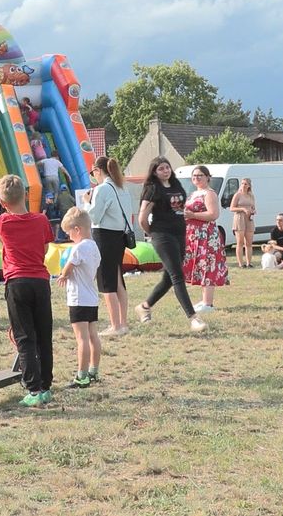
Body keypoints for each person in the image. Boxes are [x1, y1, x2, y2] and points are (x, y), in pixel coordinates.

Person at [0, 174, 55, 407]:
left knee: (24, 337)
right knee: (44, 336)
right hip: (40, 281)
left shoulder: (2, 223)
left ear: (2, 202)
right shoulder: (41, 220)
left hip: (17, 282)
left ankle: (34, 389)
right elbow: (46, 247)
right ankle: (46, 386)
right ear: (26, 195)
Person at [134, 157, 206, 333]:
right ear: (154, 172)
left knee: (169, 277)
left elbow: (180, 209)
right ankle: (193, 318)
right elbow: (142, 217)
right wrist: (152, 233)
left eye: (167, 167)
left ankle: (144, 306)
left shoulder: (176, 185)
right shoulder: (152, 189)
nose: (165, 171)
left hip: (179, 233)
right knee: (177, 276)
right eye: (161, 169)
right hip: (162, 234)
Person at [80, 156, 134, 337]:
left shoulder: (102, 189)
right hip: (119, 236)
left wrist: (87, 202)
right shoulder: (122, 187)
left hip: (104, 236)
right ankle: (123, 323)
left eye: (92, 172)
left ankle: (115, 325)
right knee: (118, 280)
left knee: (106, 283)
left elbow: (94, 217)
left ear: (97, 171)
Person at [55, 207, 102, 388]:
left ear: (77, 230)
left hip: (78, 299)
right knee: (93, 336)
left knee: (81, 339)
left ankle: (81, 375)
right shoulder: (94, 246)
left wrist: (63, 275)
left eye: (69, 233)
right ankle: (93, 371)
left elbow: (69, 265)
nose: (69, 237)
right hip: (91, 298)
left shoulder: (78, 248)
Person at [184, 165, 229, 315]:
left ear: (208, 177)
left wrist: (193, 215)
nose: (197, 178)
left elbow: (213, 214)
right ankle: (204, 300)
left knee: (208, 265)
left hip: (206, 235)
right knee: (200, 266)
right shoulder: (193, 194)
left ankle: (208, 303)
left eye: (200, 175)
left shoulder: (210, 194)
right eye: (194, 176)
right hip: (193, 235)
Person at [229, 178, 257, 268]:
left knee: (249, 242)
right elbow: (232, 208)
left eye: (245, 184)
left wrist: (253, 211)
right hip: (239, 217)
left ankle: (249, 262)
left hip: (249, 218)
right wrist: (242, 209)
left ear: (249, 185)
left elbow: (253, 206)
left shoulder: (251, 195)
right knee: (240, 242)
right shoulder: (237, 195)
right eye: (242, 184)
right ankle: (241, 263)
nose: (243, 186)